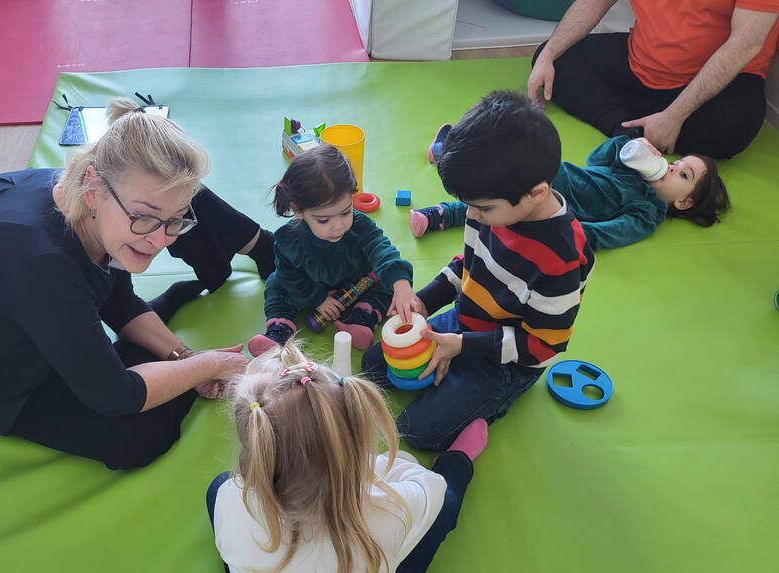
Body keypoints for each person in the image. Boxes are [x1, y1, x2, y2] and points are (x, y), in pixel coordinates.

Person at [0, 98, 252, 470]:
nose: (159, 240)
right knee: (141, 437)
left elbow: (118, 300)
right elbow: (117, 397)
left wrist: (184, 357)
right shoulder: (44, 266)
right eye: (144, 217)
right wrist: (208, 366)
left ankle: (144, 360)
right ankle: (139, 362)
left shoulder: (90, 202)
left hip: (29, 304)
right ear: (92, 188)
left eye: (176, 221)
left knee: (145, 373)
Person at [205, 340, 489, 573]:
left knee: (218, 487)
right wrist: (373, 465)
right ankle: (459, 461)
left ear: (256, 446)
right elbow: (431, 485)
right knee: (446, 504)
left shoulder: (231, 498)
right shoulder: (390, 510)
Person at [362, 91, 595, 451]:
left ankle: (490, 406)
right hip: (466, 321)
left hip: (509, 361)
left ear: (536, 193)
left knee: (416, 431)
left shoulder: (561, 260)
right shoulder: (490, 209)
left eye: (482, 208)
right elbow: (469, 265)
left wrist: (462, 346)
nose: (471, 216)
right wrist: (426, 300)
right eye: (468, 205)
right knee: (373, 364)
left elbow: (542, 345)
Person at [526, 0, 779, 158]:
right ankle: (626, 132)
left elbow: (744, 45)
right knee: (553, 60)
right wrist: (549, 54)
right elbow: (594, 3)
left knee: (732, 128)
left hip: (719, 83)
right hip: (642, 62)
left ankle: (651, 122)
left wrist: (675, 115)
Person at [414, 134, 730, 250]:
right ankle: (454, 147)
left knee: (500, 195)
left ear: (683, 202)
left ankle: (442, 213)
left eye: (683, 174)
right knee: (509, 150)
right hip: (555, 172)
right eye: (675, 162)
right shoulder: (631, 171)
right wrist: (631, 148)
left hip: (553, 201)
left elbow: (604, 234)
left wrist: (558, 230)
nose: (672, 168)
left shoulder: (646, 214)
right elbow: (596, 159)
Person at [247, 145, 421, 356]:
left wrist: (401, 284)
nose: (338, 226)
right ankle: (280, 330)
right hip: (311, 285)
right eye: (324, 220)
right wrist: (317, 299)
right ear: (298, 211)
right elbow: (290, 276)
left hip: (358, 283)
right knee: (276, 283)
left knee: (385, 277)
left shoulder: (360, 226)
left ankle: (362, 317)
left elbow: (382, 249)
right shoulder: (289, 239)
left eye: (346, 212)